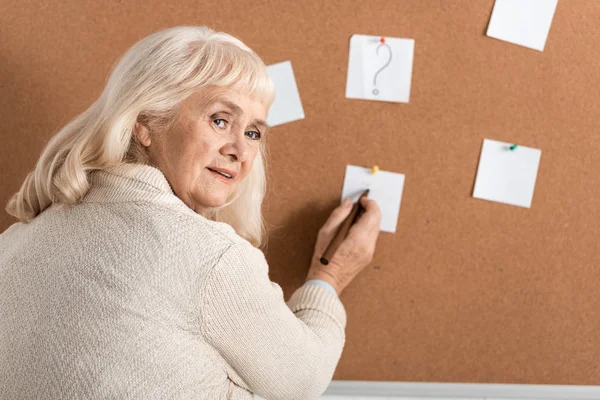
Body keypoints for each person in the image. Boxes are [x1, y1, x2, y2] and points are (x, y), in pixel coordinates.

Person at [0, 26, 381, 399]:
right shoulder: (207, 256)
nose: (241, 150)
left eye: (253, 132)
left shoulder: (15, 241)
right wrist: (330, 273)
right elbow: (303, 379)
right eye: (220, 120)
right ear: (145, 123)